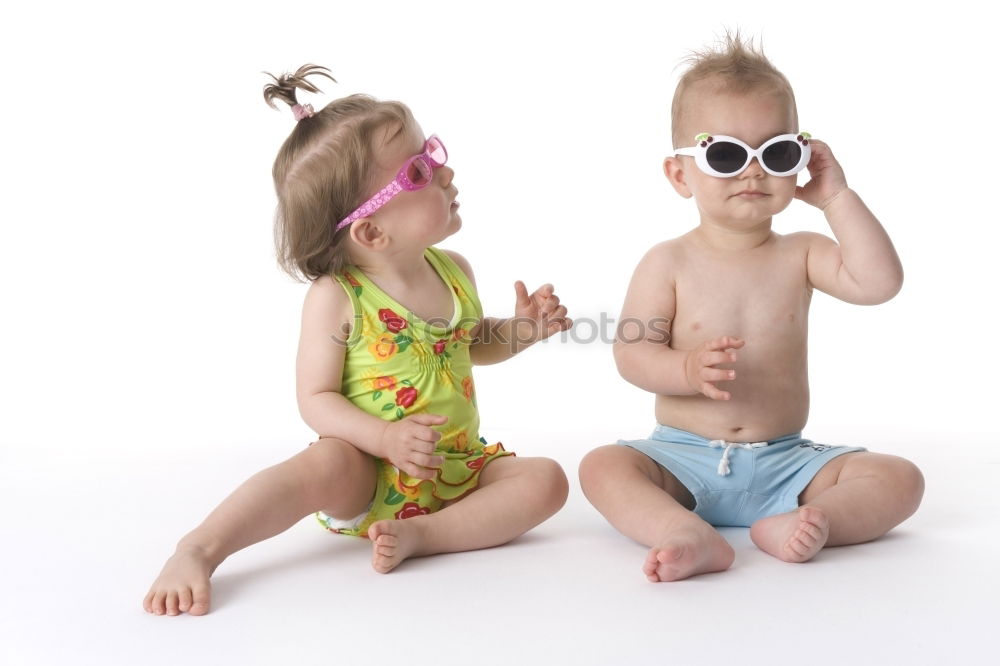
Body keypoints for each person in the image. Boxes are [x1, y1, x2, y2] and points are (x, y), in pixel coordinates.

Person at [144, 64, 571, 616]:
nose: (445, 172)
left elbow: (472, 345)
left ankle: (428, 536)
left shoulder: (455, 271)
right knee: (319, 466)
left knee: (547, 481)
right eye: (421, 171)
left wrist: (522, 331)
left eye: (433, 155)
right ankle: (199, 548)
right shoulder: (338, 296)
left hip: (453, 465)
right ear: (370, 230)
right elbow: (315, 400)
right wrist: (384, 440)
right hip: (367, 473)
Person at [578, 35, 924, 582]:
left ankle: (812, 521)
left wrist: (836, 196)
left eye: (777, 152)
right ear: (679, 175)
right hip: (682, 459)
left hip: (789, 464)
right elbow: (631, 353)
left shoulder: (802, 253)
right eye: (725, 154)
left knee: (900, 478)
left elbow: (879, 282)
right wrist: (684, 370)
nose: (753, 172)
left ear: (801, 160)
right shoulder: (666, 262)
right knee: (604, 466)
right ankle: (681, 529)